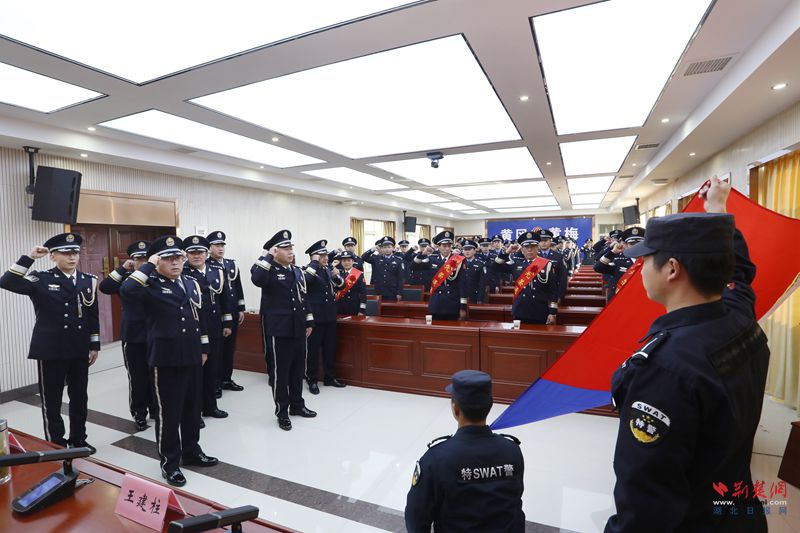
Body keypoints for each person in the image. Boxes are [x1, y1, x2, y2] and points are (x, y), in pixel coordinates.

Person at [605, 177, 769, 532]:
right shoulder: (738, 317)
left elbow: (646, 503)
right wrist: (717, 210)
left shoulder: (665, 368)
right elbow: (740, 274)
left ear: (672, 268)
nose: (640, 268)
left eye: (646, 259)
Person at [121, 236, 218, 487]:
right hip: (165, 357)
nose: (175, 262)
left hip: (192, 354)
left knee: (192, 408)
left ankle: (192, 451)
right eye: (168, 258)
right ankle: (170, 463)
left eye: (178, 257)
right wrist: (148, 265)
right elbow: (126, 290)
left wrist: (204, 347)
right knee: (169, 413)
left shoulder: (191, 282)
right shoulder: (149, 284)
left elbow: (199, 317)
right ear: (157, 261)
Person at [1, 232, 100, 450]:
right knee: (52, 400)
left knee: (79, 397)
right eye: (65, 253)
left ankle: (78, 439)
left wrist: (94, 345)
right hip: (51, 349)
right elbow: (6, 282)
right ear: (53, 256)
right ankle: (56, 444)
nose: (72, 257)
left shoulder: (88, 281)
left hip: (78, 348)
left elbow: (92, 315)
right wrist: (29, 258)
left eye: (75, 253)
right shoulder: (41, 279)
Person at [405, 370, 525, 532]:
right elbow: (515, 507)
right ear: (490, 405)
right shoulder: (512, 451)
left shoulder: (435, 460)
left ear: (455, 409)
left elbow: (416, 520)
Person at [251, 229, 317, 431]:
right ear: (275, 251)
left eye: (291, 248)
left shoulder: (296, 270)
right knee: (280, 373)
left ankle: (297, 405)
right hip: (279, 329)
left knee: (297, 370)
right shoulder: (266, 269)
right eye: (285, 248)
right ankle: (282, 411)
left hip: (298, 327)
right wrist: (267, 256)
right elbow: (257, 279)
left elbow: (303, 297)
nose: (290, 251)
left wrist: (308, 321)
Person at [99, 239, 155, 431]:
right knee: (137, 377)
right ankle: (139, 413)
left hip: (157, 334)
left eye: (146, 258)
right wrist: (122, 268)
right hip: (133, 335)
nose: (143, 262)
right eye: (138, 259)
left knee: (156, 374)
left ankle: (155, 409)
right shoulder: (127, 279)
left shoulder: (159, 277)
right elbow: (105, 287)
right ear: (132, 260)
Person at [182, 235, 233, 421]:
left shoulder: (217, 271)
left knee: (213, 369)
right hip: (193, 330)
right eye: (192, 253)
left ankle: (211, 406)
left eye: (200, 252)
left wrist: (227, 322)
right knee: (195, 373)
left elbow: (225, 298)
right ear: (186, 255)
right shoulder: (182, 273)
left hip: (214, 327)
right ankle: (194, 413)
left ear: (206, 253)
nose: (197, 256)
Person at [303, 239, 346, 394]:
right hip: (315, 318)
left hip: (329, 316)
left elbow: (341, 286)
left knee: (330, 349)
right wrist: (314, 263)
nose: (326, 258)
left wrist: (336, 276)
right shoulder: (308, 270)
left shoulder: (328, 270)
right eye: (322, 255)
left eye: (326, 255)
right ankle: (312, 380)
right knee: (313, 351)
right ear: (314, 257)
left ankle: (330, 377)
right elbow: (307, 282)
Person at [489, 232, 558, 324]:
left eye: (532, 246)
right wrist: (506, 252)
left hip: (540, 310)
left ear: (537, 248)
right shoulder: (515, 264)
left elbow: (553, 291)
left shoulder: (547, 265)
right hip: (521, 310)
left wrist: (552, 313)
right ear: (522, 250)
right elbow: (494, 267)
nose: (529, 249)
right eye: (526, 247)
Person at [208, 230, 246, 395]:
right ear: (209, 248)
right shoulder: (207, 266)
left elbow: (238, 287)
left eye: (222, 245)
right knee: (217, 351)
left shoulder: (231, 264)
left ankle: (226, 379)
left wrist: (241, 308)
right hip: (217, 314)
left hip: (233, 312)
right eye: (217, 245)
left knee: (230, 349)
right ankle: (215, 383)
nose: (220, 248)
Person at [412, 231, 468, 321]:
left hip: (452, 303)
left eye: (449, 246)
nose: (447, 248)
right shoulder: (432, 259)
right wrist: (422, 254)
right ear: (438, 246)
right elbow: (413, 267)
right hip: (437, 302)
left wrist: (462, 307)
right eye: (444, 246)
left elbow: (462, 285)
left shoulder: (457, 260)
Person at [593, 227, 645, 302]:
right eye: (632, 243)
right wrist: (613, 252)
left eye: (639, 243)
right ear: (626, 245)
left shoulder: (651, 262)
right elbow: (598, 268)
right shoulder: (619, 261)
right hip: (620, 300)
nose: (636, 246)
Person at [361, 236, 404, 302]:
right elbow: (363, 257)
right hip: (379, 291)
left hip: (392, 291)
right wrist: (372, 249)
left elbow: (400, 278)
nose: (387, 249)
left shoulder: (398, 260)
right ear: (382, 248)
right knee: (377, 308)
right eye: (385, 247)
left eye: (389, 247)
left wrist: (399, 293)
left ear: (393, 248)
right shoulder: (376, 259)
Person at [334, 251, 367, 316]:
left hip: (354, 307)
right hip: (340, 307)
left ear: (353, 261)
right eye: (344, 261)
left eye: (349, 260)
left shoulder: (359, 274)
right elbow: (335, 291)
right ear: (341, 262)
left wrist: (362, 310)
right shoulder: (338, 274)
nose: (346, 263)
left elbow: (363, 293)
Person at [461, 239, 487, 304]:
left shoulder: (480, 264)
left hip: (475, 295)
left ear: (474, 251)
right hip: (461, 295)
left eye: (469, 249)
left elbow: (482, 283)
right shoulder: (459, 263)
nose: (467, 252)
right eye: (465, 249)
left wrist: (480, 298)